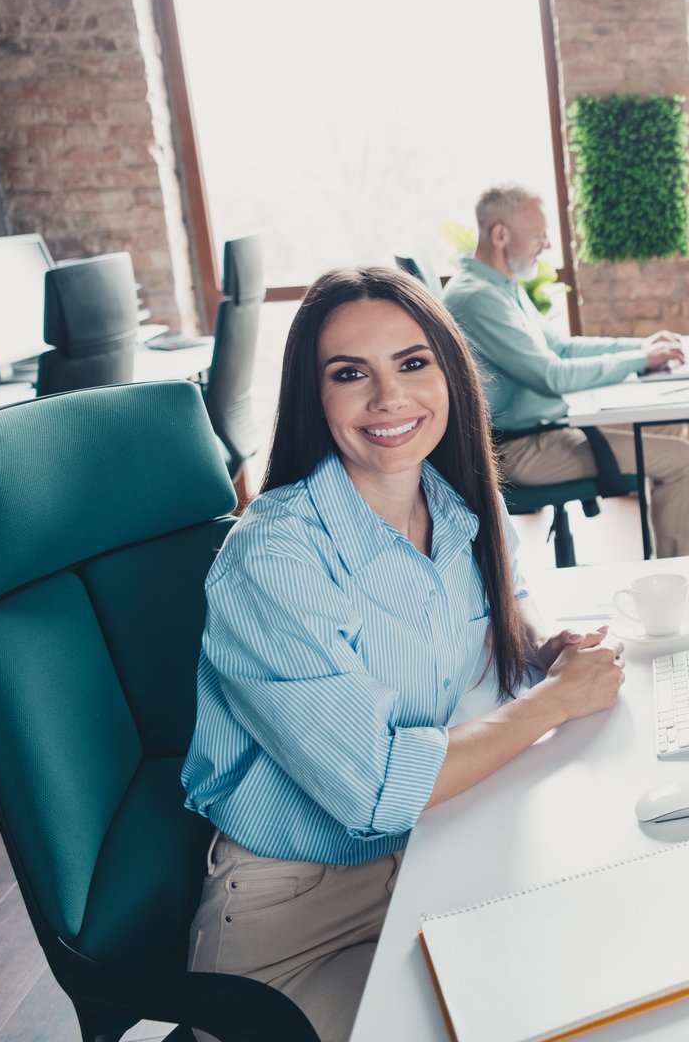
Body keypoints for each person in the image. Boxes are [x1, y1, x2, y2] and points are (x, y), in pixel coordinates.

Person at [180, 267, 625, 1042]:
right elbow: (382, 789)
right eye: (350, 375)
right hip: (300, 920)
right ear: (314, 399)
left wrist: (544, 648)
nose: (389, 399)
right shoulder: (272, 557)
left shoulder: (453, 505)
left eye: (412, 363)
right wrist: (553, 701)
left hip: (437, 854)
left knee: (607, 968)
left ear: (448, 374)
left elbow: (506, 611)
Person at [442, 183, 689, 557]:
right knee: (684, 460)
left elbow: (561, 347)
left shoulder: (500, 286)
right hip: (519, 448)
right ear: (501, 234)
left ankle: (661, 556)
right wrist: (642, 361)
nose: (545, 245)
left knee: (665, 423)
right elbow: (552, 377)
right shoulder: (478, 297)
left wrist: (642, 347)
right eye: (539, 236)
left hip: (543, 428)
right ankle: (678, 573)